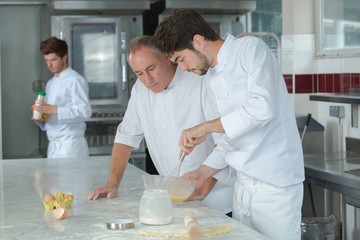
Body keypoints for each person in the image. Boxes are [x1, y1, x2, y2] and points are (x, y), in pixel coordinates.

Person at [152, 9, 305, 240]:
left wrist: (204, 127)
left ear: (198, 41)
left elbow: (263, 108)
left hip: (275, 186)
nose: (183, 68)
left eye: (181, 59)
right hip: (243, 186)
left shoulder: (250, 49)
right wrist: (203, 171)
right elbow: (230, 138)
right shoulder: (212, 77)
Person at [86, 36, 235, 214]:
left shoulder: (199, 81)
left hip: (218, 198)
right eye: (139, 74)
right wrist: (112, 183)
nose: (147, 79)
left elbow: (226, 139)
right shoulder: (140, 91)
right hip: (176, 200)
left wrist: (203, 189)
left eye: (151, 68)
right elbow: (125, 138)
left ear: (166, 58)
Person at [33, 37, 92, 158]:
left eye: (53, 60)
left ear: (64, 57)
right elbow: (53, 115)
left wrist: (54, 110)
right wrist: (41, 117)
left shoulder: (75, 80)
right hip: (53, 144)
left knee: (71, 177)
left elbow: (85, 111)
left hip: (71, 145)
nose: (49, 65)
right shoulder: (50, 83)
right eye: (46, 60)